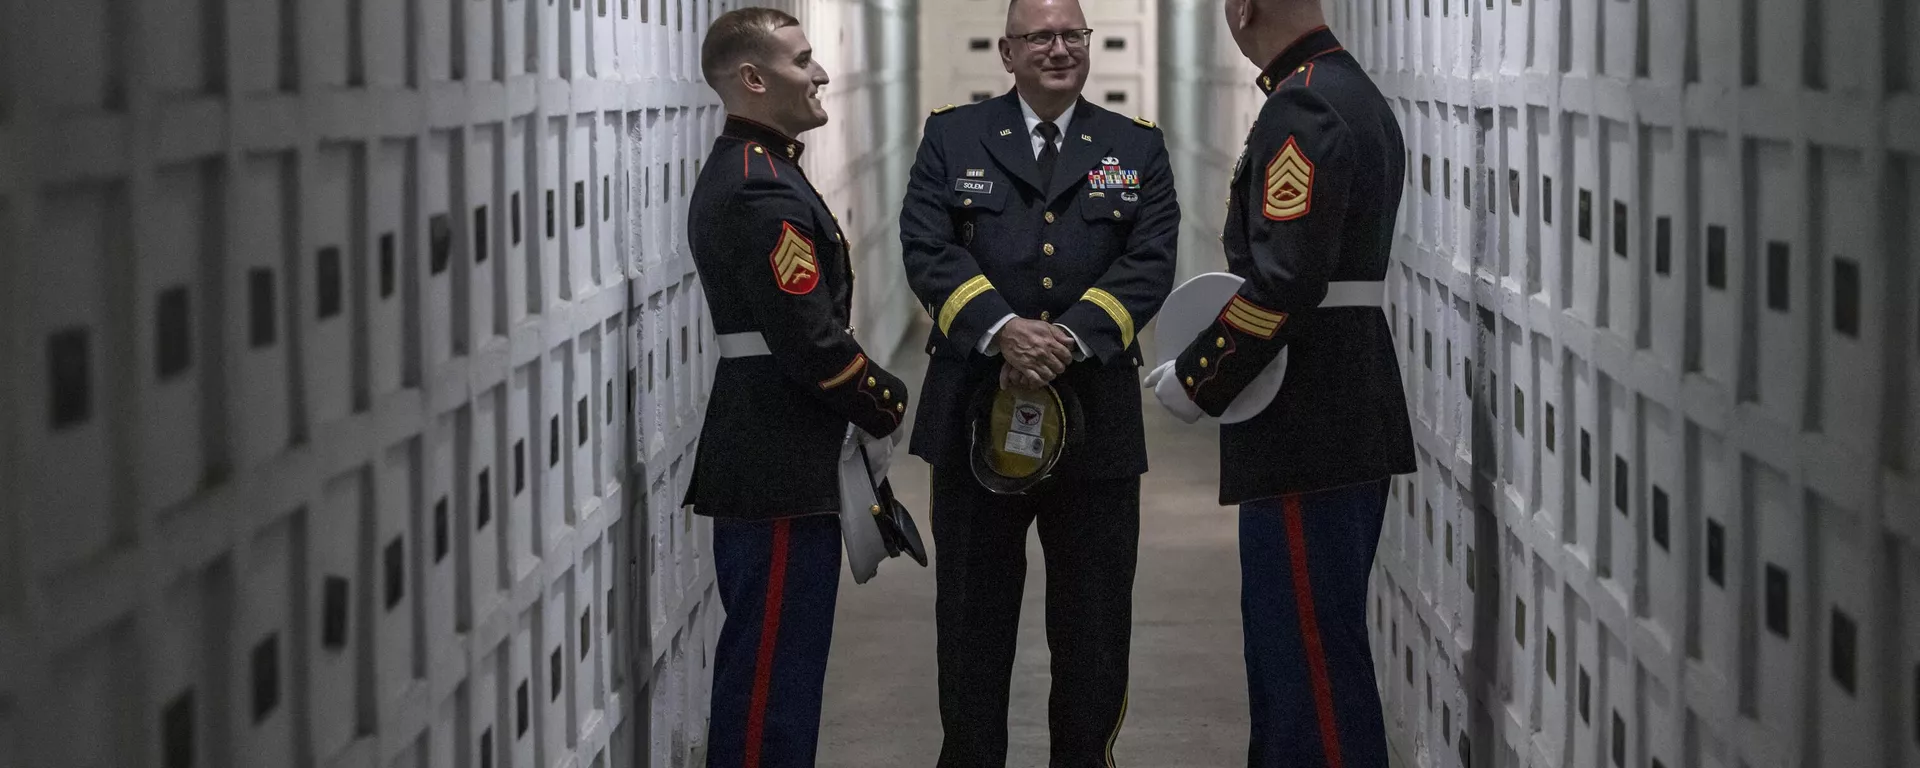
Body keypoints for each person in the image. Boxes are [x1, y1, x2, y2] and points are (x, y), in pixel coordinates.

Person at [899, 0, 1180, 763]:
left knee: (1093, 629)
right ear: (1008, 51)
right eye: (1041, 38)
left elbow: (1151, 260)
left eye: (1072, 36)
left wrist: (1067, 339)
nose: (1059, 49)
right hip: (972, 417)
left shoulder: (1135, 147)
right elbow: (926, 248)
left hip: (1095, 420)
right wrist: (1002, 330)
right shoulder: (952, 136)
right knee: (970, 625)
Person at [1144, 1, 1415, 765]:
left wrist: (1202, 377)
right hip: (1334, 404)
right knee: (1292, 648)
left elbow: (1285, 279)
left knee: (1310, 668)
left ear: (1243, 8)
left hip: (1310, 418)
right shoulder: (1342, 87)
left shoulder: (1304, 103)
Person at [684, 8, 910, 767]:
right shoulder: (758, 189)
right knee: (768, 686)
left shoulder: (766, 170)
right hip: (776, 460)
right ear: (753, 79)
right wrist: (887, 399)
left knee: (786, 672)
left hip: (780, 454)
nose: (819, 73)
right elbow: (812, 343)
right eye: (801, 60)